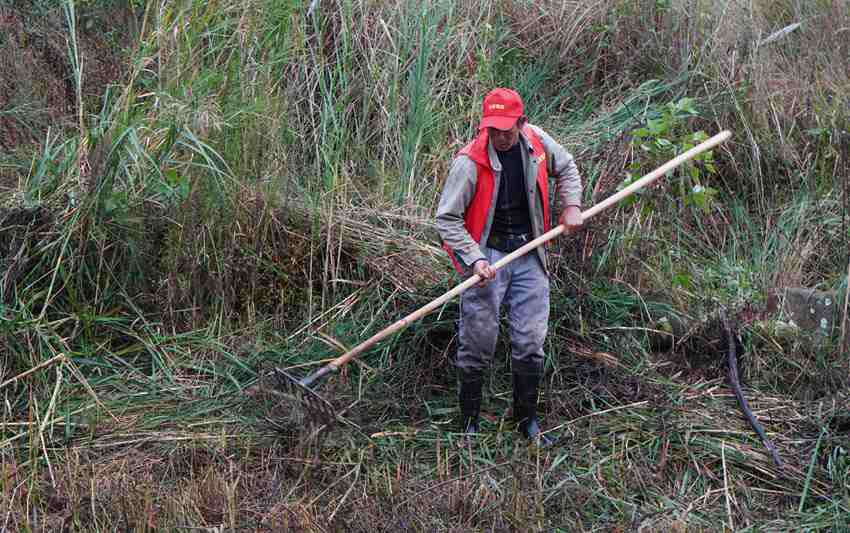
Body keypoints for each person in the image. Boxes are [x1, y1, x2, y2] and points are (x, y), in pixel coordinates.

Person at [436, 88, 583, 446]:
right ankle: (469, 423)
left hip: (530, 252)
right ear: (484, 125)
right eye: (492, 129)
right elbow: (447, 219)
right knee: (478, 340)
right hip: (488, 255)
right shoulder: (469, 162)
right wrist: (475, 259)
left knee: (531, 340)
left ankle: (527, 422)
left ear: (522, 122)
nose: (500, 137)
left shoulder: (537, 143)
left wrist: (572, 206)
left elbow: (567, 168)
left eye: (507, 128)